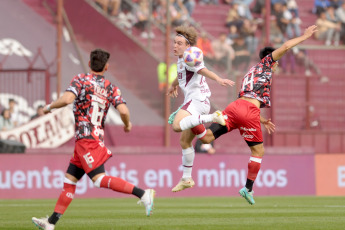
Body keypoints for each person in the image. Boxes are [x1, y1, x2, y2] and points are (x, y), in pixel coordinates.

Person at [173, 25, 318, 204]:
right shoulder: (266, 64)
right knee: (258, 151)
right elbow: (286, 47)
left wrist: (262, 120)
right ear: (272, 60)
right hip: (248, 112)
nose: (277, 65)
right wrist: (304, 36)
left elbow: (247, 99)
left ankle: (192, 119)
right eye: (277, 62)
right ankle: (247, 188)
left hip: (236, 107)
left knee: (207, 138)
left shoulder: (252, 70)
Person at [31, 49, 155, 230]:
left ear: (89, 64)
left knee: (98, 180)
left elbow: (67, 99)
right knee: (70, 182)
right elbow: (123, 111)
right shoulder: (110, 87)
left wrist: (49, 107)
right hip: (90, 139)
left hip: (87, 140)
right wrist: (127, 125)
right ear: (107, 67)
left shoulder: (81, 79)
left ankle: (143, 194)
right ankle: (51, 223)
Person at [167, 25, 235, 192]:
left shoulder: (190, 56)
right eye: (175, 42)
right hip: (198, 102)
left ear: (188, 46)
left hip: (196, 102)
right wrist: (173, 85)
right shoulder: (183, 59)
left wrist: (218, 79)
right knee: (185, 141)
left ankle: (213, 118)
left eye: (179, 43)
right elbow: (182, 73)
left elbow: (202, 69)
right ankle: (186, 178)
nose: (175, 46)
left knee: (176, 125)